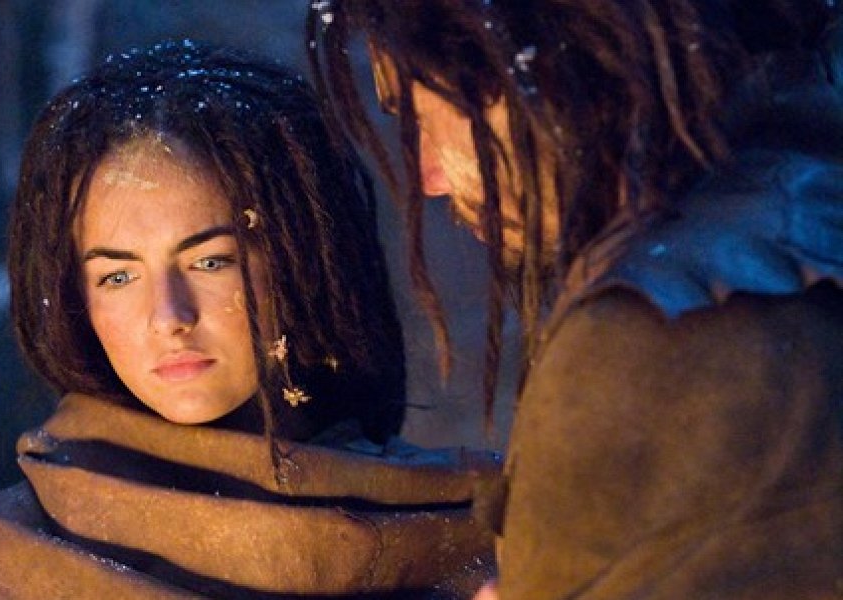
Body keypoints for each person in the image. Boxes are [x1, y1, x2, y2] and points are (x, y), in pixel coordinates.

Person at [0, 40, 498, 599]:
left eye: (211, 262)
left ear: (306, 259)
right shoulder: (4, 568)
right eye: (117, 277)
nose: (169, 317)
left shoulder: (479, 537)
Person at [308, 0, 843, 597]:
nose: (429, 177)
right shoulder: (804, 188)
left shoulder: (647, 341)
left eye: (424, 118)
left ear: (531, 67)